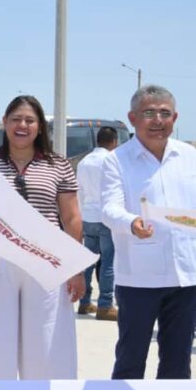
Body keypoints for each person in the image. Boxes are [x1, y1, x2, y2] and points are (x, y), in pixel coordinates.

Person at [0, 95, 84, 380]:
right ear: (4, 123)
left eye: (30, 120)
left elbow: (71, 218)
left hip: (46, 259)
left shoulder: (58, 165)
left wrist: (75, 268)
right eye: (16, 119)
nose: (22, 125)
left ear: (40, 127)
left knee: (48, 343)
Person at [101, 85, 196, 380]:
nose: (157, 120)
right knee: (130, 359)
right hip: (140, 277)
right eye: (149, 113)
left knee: (178, 362)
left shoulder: (190, 156)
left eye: (165, 113)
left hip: (187, 276)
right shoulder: (116, 160)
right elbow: (109, 208)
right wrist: (131, 222)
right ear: (132, 118)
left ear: (175, 118)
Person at [76, 126, 119, 320]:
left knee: (88, 262)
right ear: (114, 142)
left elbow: (79, 191)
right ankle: (105, 305)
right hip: (106, 218)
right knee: (108, 262)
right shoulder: (112, 160)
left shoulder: (84, 161)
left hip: (88, 216)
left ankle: (84, 302)